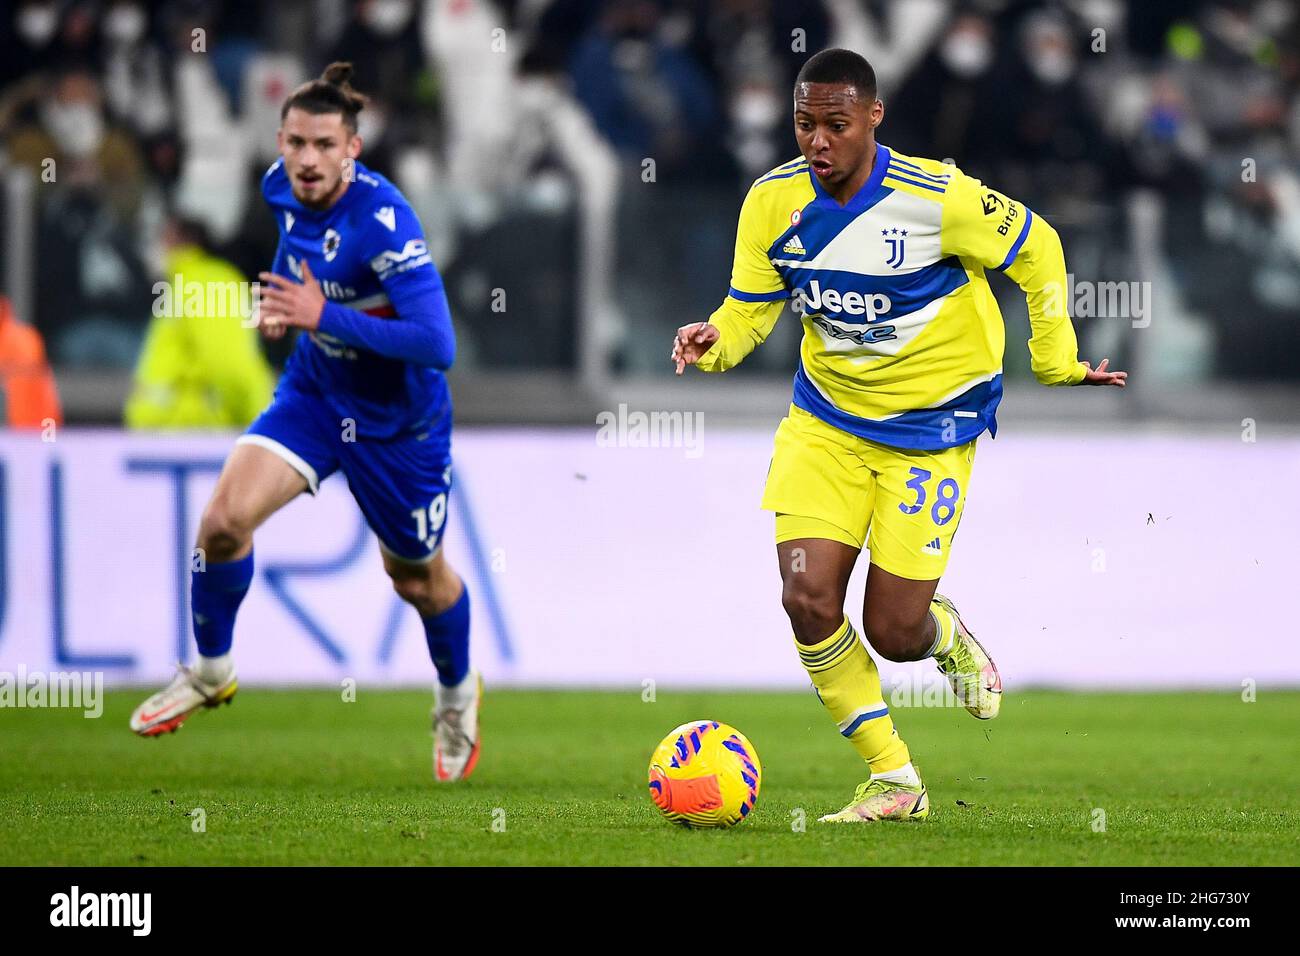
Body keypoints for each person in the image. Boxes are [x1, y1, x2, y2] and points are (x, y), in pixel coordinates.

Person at [671, 48, 1127, 823]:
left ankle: (941, 631)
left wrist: (1055, 362)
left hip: (931, 428)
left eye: (835, 125)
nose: (817, 141)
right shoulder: (770, 201)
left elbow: (1040, 248)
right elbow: (751, 307)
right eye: (804, 124)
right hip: (828, 423)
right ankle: (894, 778)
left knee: (893, 629)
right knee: (807, 597)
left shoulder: (937, 198)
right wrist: (715, 338)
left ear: (874, 118)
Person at [129, 63, 481, 783]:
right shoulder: (275, 189)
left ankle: (455, 695)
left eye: (325, 144)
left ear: (353, 148)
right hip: (316, 395)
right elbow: (300, 264)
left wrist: (324, 316)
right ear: (280, 143)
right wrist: (284, 310)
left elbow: (436, 343)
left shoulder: (384, 222)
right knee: (223, 522)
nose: (308, 159)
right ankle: (212, 669)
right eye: (295, 142)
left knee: (416, 580)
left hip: (398, 424)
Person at [125, 216, 275, 429]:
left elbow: (228, 360)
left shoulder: (207, 283)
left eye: (164, 236)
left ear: (186, 239)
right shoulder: (187, 282)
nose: (156, 246)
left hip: (196, 432)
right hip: (179, 432)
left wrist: (255, 424)